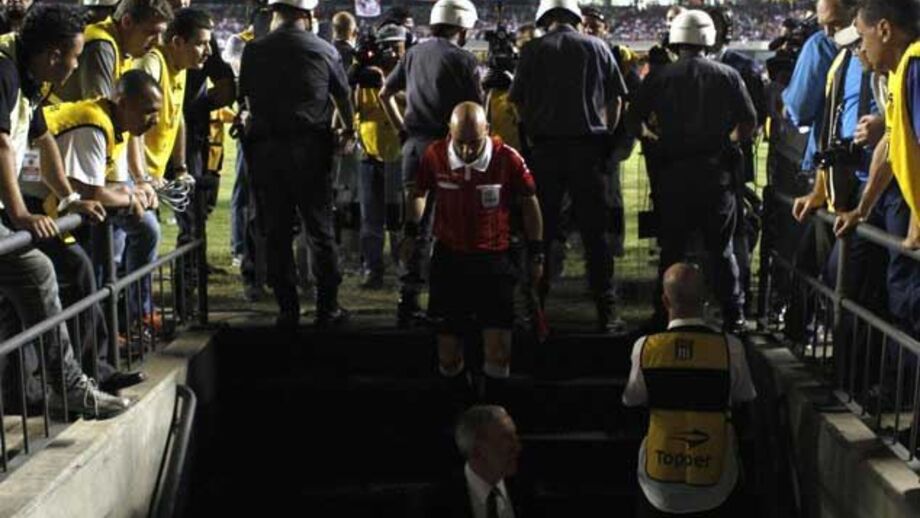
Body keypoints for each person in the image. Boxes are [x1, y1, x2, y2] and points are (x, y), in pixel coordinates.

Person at [0, 4, 130, 419]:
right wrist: (20, 214)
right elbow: (0, 143)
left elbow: (43, 139)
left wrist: (70, 198)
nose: (77, 66)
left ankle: (45, 389)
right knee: (37, 270)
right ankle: (68, 389)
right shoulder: (3, 69)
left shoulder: (25, 72)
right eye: (75, 56)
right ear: (53, 53)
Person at [627, 10, 756, 333]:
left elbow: (634, 119)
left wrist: (652, 138)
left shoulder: (659, 76)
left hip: (673, 176)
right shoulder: (727, 74)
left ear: (676, 39)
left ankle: (664, 313)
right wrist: (727, 141)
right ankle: (733, 315)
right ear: (709, 39)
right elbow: (748, 123)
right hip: (716, 177)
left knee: (671, 249)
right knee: (721, 250)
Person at [402, 102, 543, 387]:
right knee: (448, 355)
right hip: (450, 261)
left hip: (494, 260)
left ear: (488, 132)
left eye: (474, 143)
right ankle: (458, 411)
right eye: (460, 142)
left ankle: (494, 413)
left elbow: (530, 202)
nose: (466, 151)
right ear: (449, 133)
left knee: (498, 352)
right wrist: (410, 232)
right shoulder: (435, 155)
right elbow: (419, 192)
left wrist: (537, 252)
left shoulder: (507, 158)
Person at [510, 0, 628, 334]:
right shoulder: (597, 47)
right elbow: (616, 99)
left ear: (545, 18)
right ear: (575, 17)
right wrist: (604, 133)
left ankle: (533, 309)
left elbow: (516, 101)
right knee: (595, 235)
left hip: (546, 150)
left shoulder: (532, 50)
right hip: (587, 150)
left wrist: (532, 131)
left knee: (540, 234)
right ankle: (607, 311)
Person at [239, 0, 354, 329]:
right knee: (319, 230)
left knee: (275, 232)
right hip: (310, 151)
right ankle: (327, 307)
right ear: (307, 15)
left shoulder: (254, 50)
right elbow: (342, 98)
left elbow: (245, 99)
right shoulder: (323, 49)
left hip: (266, 152)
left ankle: (286, 309)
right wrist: (348, 130)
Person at [623, 263, 757, 517]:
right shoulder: (731, 348)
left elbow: (632, 399)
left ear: (665, 300)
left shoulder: (645, 348)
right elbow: (744, 396)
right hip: (717, 484)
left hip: (658, 485)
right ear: (705, 298)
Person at [380, 0, 483, 328]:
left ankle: (407, 302)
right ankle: (444, 301)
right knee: (450, 229)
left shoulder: (412, 53)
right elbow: (475, 113)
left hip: (414, 147)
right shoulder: (463, 59)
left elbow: (385, 93)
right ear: (463, 27)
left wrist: (400, 128)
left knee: (415, 227)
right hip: (447, 151)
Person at [171, 0, 234, 250]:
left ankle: (189, 274)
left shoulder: (199, 35)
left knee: (190, 213)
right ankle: (189, 275)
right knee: (188, 214)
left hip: (181, 135)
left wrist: (194, 108)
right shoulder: (153, 34)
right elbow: (226, 86)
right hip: (166, 134)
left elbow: (226, 85)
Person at [129, 8, 212, 187]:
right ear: (177, 42)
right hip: (133, 178)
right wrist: (142, 177)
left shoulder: (180, 65)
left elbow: (177, 117)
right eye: (201, 44)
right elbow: (131, 126)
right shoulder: (151, 65)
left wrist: (180, 168)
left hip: (149, 178)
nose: (209, 51)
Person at [353, 23, 407, 289]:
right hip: (369, 153)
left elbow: (413, 103)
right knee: (370, 217)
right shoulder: (366, 76)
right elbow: (353, 106)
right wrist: (356, 71)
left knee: (399, 217)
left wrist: (387, 84)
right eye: (390, 48)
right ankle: (372, 268)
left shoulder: (409, 71)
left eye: (398, 47)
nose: (395, 54)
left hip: (398, 153)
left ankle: (402, 267)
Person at [425, 405, 528, 518]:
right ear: (477, 450)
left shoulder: (527, 492)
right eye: (506, 438)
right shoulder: (440, 501)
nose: (518, 447)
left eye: (515, 436)